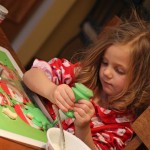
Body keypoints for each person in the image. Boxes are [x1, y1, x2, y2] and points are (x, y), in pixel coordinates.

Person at [23, 15, 150, 149]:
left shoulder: (122, 127)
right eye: (105, 63)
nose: (107, 72)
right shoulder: (83, 76)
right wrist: (52, 91)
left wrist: (83, 129)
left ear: (139, 81)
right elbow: (30, 75)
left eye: (119, 70)